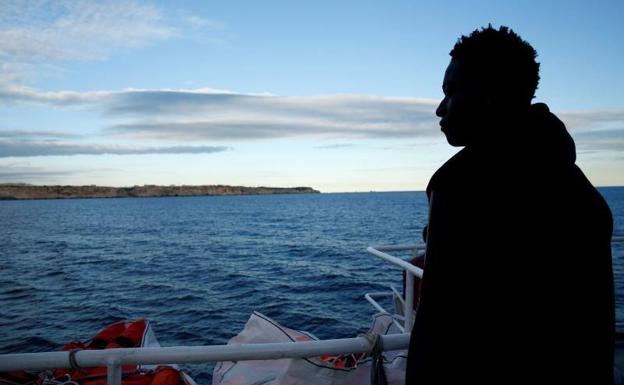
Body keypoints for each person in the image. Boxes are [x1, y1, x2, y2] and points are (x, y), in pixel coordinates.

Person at [405, 25, 615, 384]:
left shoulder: (460, 186)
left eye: (451, 92)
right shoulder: (575, 184)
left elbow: (440, 331)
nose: (441, 108)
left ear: (490, 94)